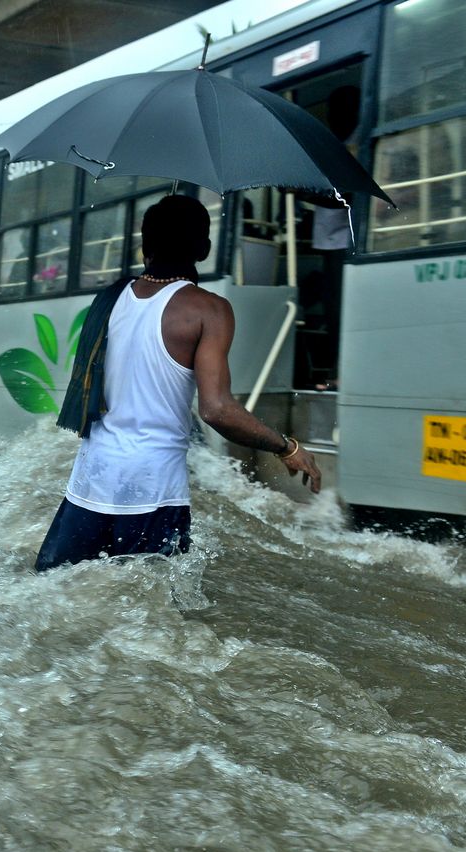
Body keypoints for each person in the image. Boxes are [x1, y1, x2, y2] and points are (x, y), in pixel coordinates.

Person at [35, 194, 322, 572]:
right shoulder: (209, 309)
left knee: (64, 592)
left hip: (89, 482)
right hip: (154, 491)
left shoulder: (108, 299)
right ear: (203, 248)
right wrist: (286, 447)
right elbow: (217, 409)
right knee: (148, 612)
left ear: (144, 245)